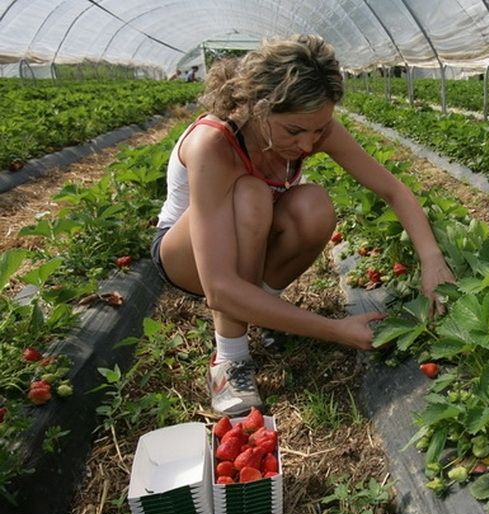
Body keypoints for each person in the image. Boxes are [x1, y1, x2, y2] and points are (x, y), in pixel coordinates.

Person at [151, 35, 454, 416]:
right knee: (252, 195)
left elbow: (392, 189)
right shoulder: (213, 143)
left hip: (250, 243)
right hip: (187, 258)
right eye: (294, 131)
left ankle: (262, 310)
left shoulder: (315, 128)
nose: (309, 144)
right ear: (258, 108)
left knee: (314, 204)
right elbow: (219, 290)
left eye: (318, 129)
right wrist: (336, 329)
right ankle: (230, 360)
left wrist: (431, 258)